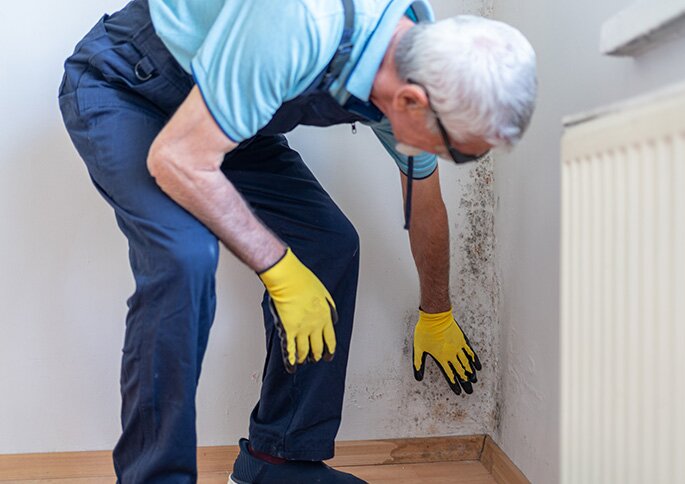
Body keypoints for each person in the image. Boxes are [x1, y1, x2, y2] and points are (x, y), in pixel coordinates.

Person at [57, 0, 537, 482]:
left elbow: (423, 200)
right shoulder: (302, 21)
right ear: (412, 101)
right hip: (129, 89)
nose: (446, 160)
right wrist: (279, 268)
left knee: (328, 243)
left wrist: (437, 311)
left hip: (230, 119)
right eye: (455, 151)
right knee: (184, 257)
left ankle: (278, 461)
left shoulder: (412, 60)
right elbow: (179, 159)